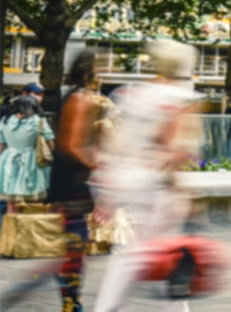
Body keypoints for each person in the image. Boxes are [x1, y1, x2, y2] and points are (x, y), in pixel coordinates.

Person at [92, 39, 206, 311]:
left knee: (145, 253)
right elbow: (174, 150)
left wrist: (107, 196)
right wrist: (181, 192)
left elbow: (115, 145)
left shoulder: (134, 95)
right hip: (156, 187)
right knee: (157, 254)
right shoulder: (179, 100)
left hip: (127, 182)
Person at [45, 51, 106, 311]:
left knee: (77, 242)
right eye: (101, 70)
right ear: (89, 72)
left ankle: (71, 297)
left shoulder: (80, 98)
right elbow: (70, 146)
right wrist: (97, 163)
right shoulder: (80, 100)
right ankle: (70, 300)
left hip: (71, 180)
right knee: (75, 242)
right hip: (71, 183)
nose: (105, 75)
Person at [0, 96, 54, 209]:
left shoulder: (5, 121)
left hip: (9, 160)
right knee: (34, 201)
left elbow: (1, 145)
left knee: (11, 201)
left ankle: (12, 225)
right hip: (32, 161)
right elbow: (51, 144)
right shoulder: (39, 121)